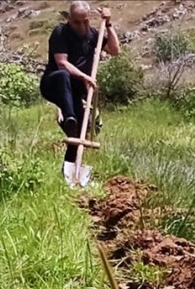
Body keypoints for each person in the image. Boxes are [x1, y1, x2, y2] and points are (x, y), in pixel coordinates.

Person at [40, 1, 120, 166]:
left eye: (85, 21)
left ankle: (70, 171)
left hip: (74, 92)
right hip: (54, 85)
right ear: (69, 18)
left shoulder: (92, 35)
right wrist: (85, 77)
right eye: (77, 21)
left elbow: (115, 50)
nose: (82, 25)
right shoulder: (60, 32)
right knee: (63, 75)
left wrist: (109, 24)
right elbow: (62, 63)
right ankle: (69, 117)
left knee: (78, 133)